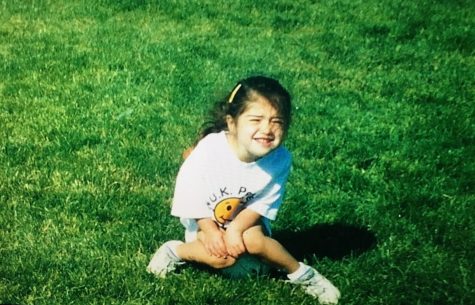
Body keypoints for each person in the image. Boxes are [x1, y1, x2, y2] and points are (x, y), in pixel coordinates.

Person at [147, 76, 340, 304]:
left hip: (247, 222)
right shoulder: (210, 150)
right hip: (205, 220)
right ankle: (176, 251)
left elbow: (262, 203)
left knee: (254, 242)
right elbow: (190, 193)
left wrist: (236, 229)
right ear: (232, 123)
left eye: (277, 121)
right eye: (256, 119)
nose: (267, 129)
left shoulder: (280, 160)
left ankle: (302, 275)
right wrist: (209, 230)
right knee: (223, 260)